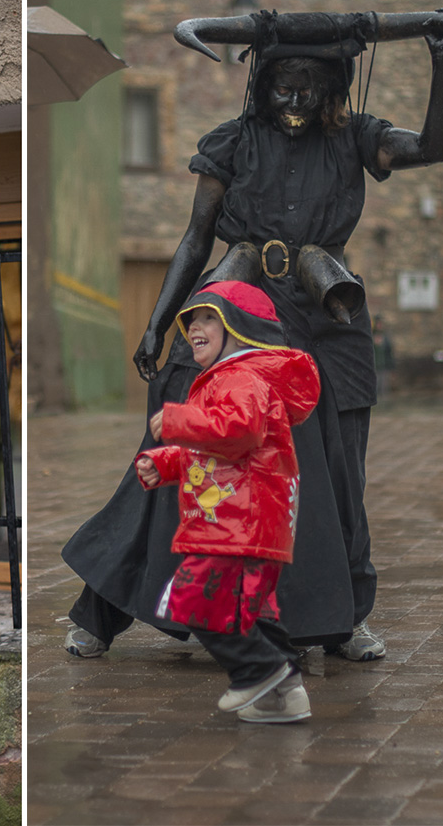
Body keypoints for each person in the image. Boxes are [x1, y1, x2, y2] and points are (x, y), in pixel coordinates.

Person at [62, 9, 443, 662]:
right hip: (241, 311)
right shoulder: (232, 142)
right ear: (262, 84)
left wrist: (440, 61)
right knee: (184, 444)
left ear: (333, 86)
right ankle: (101, 608)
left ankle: (343, 619)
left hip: (331, 314)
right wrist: (160, 319)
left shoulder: (357, 135)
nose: (296, 98)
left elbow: (431, 147)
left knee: (339, 475)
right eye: (283, 85)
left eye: (310, 86)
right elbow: (197, 238)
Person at [135, 281, 319, 722]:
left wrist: (178, 419)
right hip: (244, 521)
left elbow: (239, 431)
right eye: (190, 320)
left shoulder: (240, 377)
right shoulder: (234, 378)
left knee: (196, 601)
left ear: (241, 327)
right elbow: (218, 450)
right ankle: (288, 694)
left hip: (239, 525)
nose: (193, 326)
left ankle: (258, 671)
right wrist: (167, 464)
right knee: (254, 612)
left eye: (207, 317)